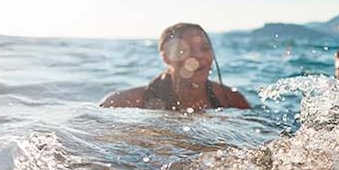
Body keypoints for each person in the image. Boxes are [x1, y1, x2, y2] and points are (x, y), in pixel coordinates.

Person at [101, 23, 252, 111]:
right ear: (166, 57)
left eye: (205, 48)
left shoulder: (231, 100)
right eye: (185, 50)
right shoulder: (126, 102)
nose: (199, 56)